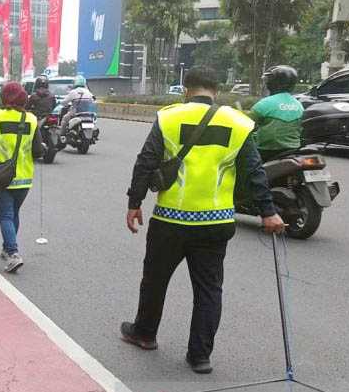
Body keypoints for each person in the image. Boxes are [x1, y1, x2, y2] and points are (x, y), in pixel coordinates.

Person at [122, 66, 285, 374]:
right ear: (216, 90)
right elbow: (254, 171)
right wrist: (268, 211)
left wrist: (135, 202)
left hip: (170, 220)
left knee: (155, 281)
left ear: (187, 89)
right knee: (209, 290)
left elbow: (146, 161)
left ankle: (144, 333)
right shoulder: (238, 123)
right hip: (215, 222)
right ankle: (200, 356)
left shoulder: (169, 117)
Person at [0, 82, 44, 273]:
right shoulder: (31, 119)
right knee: (13, 213)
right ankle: (8, 248)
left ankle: (13, 253)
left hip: (0, 176)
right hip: (24, 178)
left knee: (6, 215)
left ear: (3, 97)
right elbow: (38, 151)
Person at [249, 65, 304, 161]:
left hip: (267, 150)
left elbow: (246, 124)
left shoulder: (265, 103)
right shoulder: (299, 105)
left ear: (274, 83)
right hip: (294, 149)